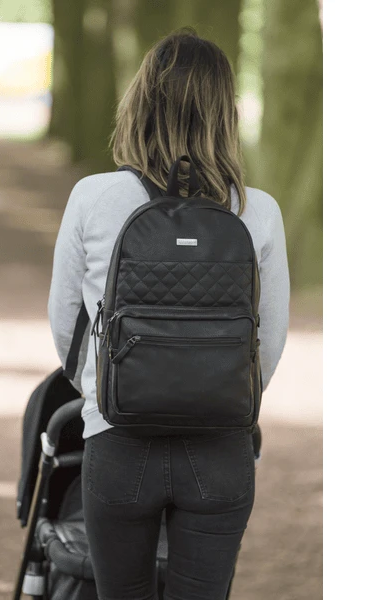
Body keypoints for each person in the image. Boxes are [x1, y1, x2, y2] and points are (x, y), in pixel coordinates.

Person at [48, 28, 289, 600]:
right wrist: (213, 392)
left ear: (139, 103)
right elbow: (269, 341)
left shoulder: (92, 197)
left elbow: (67, 325)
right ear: (226, 113)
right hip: (220, 448)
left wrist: (107, 391)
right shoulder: (258, 211)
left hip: (118, 441)